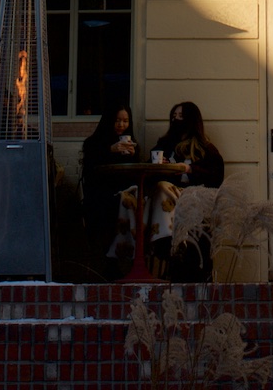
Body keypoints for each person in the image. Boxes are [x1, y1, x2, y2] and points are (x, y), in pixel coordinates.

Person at [149, 101, 224, 281]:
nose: (176, 120)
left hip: (192, 196)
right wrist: (160, 167)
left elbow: (216, 176)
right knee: (159, 188)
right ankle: (166, 242)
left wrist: (190, 169)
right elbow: (150, 167)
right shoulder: (164, 145)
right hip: (167, 196)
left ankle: (172, 244)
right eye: (173, 116)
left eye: (181, 116)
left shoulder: (205, 148)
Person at [80, 106, 141, 272]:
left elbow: (134, 173)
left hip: (125, 190)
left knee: (135, 200)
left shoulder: (132, 144)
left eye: (125, 121)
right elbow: (91, 171)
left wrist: (133, 156)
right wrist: (110, 150)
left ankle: (133, 257)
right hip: (101, 194)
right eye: (117, 120)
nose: (121, 125)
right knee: (115, 205)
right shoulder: (94, 143)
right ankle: (111, 261)